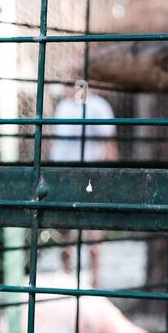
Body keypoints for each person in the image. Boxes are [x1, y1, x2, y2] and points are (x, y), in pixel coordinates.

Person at [48, 87, 118, 281]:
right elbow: (56, 143)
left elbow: (109, 145)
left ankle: (95, 281)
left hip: (90, 175)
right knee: (64, 231)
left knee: (93, 229)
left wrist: (108, 177)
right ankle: (67, 279)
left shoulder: (99, 106)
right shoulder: (62, 107)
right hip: (63, 175)